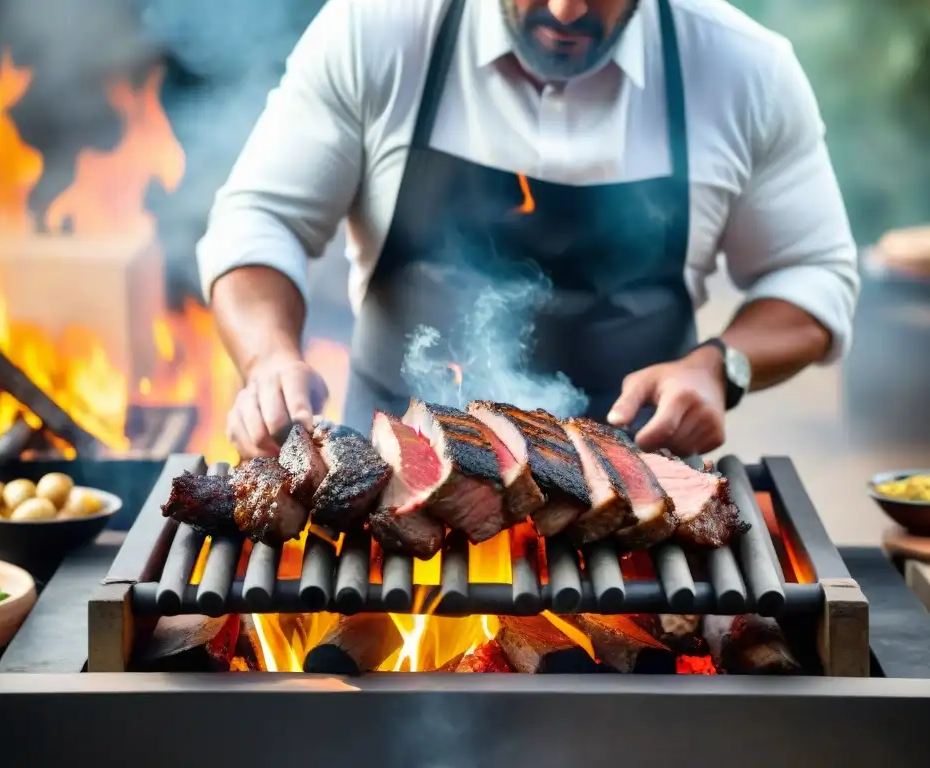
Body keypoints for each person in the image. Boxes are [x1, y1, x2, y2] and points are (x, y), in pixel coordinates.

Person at [197, 0, 859, 461]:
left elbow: (814, 274)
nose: (567, 10)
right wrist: (268, 359)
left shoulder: (744, 68)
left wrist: (720, 368)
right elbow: (262, 217)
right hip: (392, 482)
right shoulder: (378, 28)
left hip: (635, 490)